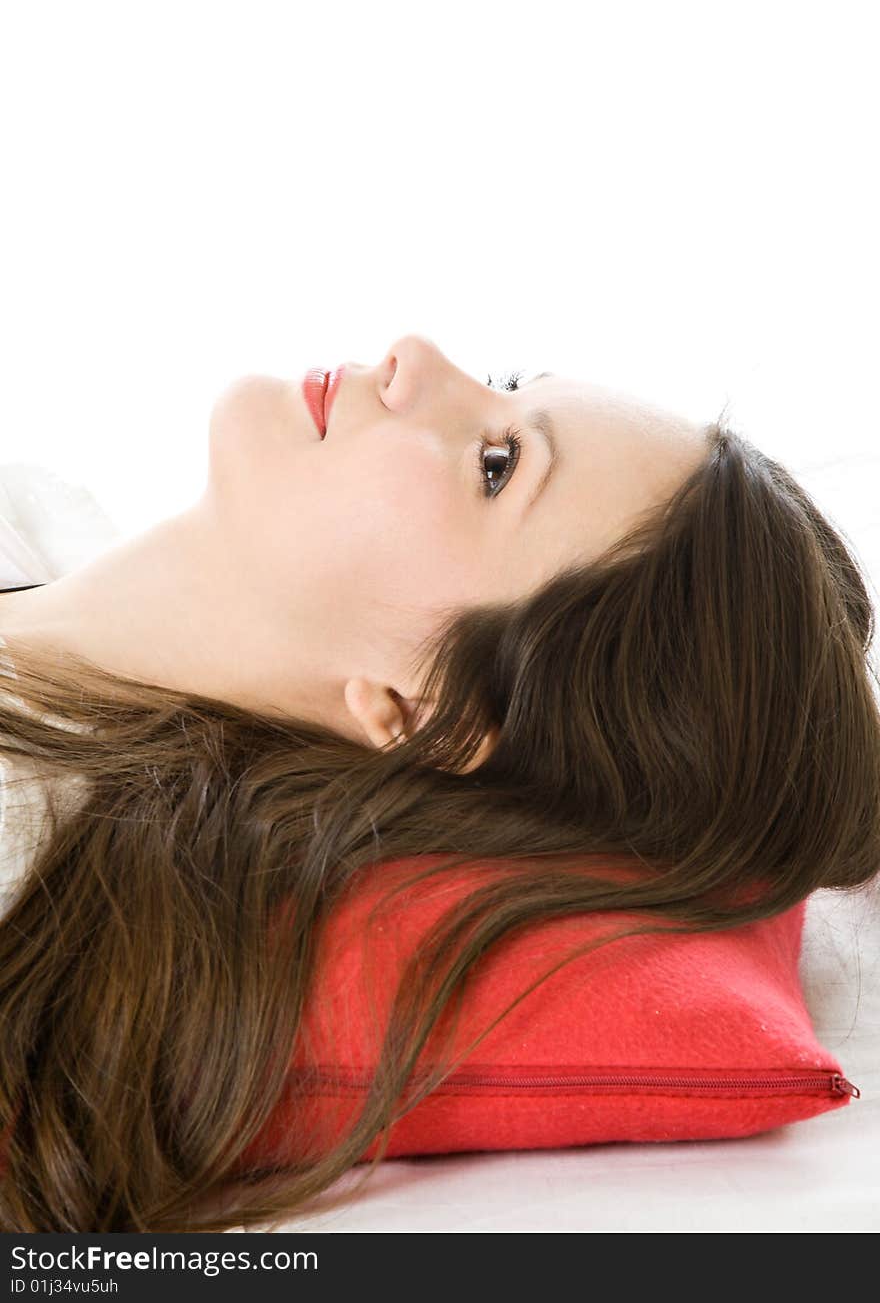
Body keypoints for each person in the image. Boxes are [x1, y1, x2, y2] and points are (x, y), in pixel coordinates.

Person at [0, 332, 877, 1232]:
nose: (414, 354)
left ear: (426, 713)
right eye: (502, 385)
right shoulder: (39, 516)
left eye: (496, 466)